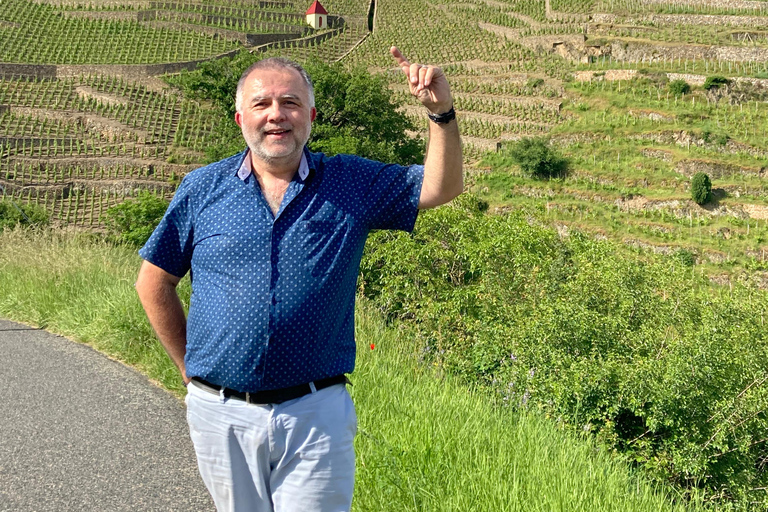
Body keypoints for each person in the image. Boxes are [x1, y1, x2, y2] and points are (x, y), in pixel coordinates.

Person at [135, 46, 462, 512]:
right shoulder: (202, 188)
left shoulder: (349, 181)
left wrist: (440, 113)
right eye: (261, 104)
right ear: (239, 117)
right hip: (219, 413)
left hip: (315, 412)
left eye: (289, 103)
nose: (276, 115)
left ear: (310, 115)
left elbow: (439, 188)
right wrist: (189, 368)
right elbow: (153, 281)